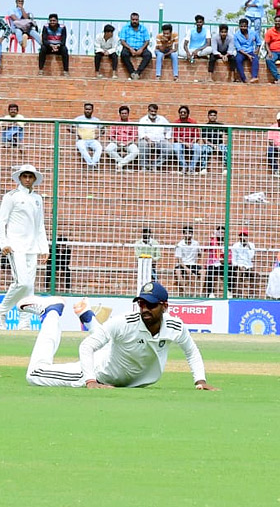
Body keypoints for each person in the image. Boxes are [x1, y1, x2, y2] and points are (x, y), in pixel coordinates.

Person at [24, 284, 216, 390]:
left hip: (119, 359)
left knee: (115, 342)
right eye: (141, 304)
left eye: (151, 305)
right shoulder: (125, 321)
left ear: (165, 306)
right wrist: (90, 380)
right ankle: (50, 312)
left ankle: (88, 317)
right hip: (97, 372)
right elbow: (86, 346)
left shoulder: (175, 326)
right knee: (34, 374)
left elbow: (192, 352)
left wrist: (200, 380)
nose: (145, 309)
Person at [0, 163, 49, 327]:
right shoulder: (11, 196)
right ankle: (2, 311)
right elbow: (2, 221)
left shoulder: (37, 199)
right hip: (15, 246)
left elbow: (40, 224)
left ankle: (24, 323)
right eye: (25, 176)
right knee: (22, 282)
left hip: (32, 247)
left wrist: (44, 248)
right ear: (20, 178)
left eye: (30, 176)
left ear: (35, 179)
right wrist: (3, 243)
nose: (27, 179)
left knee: (29, 287)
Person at [137, 103, 172, 171]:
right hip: (147, 141)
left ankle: (155, 165)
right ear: (148, 111)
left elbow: (169, 128)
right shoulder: (143, 120)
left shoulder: (162, 119)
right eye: (151, 111)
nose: (153, 113)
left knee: (169, 148)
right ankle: (144, 166)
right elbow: (141, 133)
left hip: (160, 140)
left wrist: (167, 138)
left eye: (155, 111)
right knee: (142, 145)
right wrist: (149, 140)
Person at [118, 12, 153, 79]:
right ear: (130, 19)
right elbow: (122, 41)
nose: (134, 21)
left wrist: (141, 49)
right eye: (133, 19)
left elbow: (147, 41)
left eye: (136, 20)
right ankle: (132, 72)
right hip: (128, 47)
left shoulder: (143, 28)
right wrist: (130, 48)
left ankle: (138, 73)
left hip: (141, 47)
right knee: (124, 54)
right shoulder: (125, 28)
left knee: (148, 55)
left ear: (138, 20)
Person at [104, 105, 140, 170]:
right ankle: (123, 163)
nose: (124, 115)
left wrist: (128, 143)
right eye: (122, 113)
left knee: (135, 151)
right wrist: (116, 142)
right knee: (108, 149)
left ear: (128, 114)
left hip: (128, 143)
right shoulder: (116, 123)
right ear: (120, 114)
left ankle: (120, 164)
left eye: (125, 113)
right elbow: (111, 135)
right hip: (117, 142)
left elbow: (134, 136)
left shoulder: (132, 123)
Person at [171, 105, 203, 174]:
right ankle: (184, 166)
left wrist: (191, 142)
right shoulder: (176, 123)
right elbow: (176, 136)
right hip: (180, 143)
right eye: (181, 112)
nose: (182, 114)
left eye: (184, 112)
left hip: (191, 143)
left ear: (187, 114)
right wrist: (185, 143)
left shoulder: (193, 122)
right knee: (176, 147)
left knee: (198, 148)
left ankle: (191, 168)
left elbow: (197, 136)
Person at [73, 102, 104, 168]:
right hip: (82, 140)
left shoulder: (96, 120)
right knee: (81, 147)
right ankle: (90, 164)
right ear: (84, 110)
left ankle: (94, 162)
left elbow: (103, 129)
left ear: (92, 110)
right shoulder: (79, 119)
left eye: (89, 109)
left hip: (92, 140)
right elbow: (69, 127)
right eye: (86, 109)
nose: (87, 111)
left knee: (99, 147)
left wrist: (98, 136)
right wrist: (77, 134)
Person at [198, 109, 227, 174]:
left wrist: (223, 143)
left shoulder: (220, 125)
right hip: (209, 145)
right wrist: (213, 145)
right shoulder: (205, 126)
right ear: (208, 116)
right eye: (211, 115)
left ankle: (225, 169)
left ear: (216, 117)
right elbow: (205, 140)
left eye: (214, 115)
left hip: (219, 144)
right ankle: (203, 168)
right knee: (204, 148)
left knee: (225, 148)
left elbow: (227, 135)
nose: (212, 117)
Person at [173, 225, 202, 293]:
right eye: (186, 233)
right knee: (177, 271)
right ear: (184, 234)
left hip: (193, 264)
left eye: (189, 233)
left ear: (192, 234)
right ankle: (186, 290)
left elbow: (200, 254)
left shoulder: (196, 243)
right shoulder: (180, 244)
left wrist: (197, 262)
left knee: (203, 271)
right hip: (183, 264)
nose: (188, 235)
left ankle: (200, 292)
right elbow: (179, 260)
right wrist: (186, 268)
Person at [232, 17, 261, 83]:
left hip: (250, 51)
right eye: (241, 26)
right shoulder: (236, 35)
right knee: (238, 60)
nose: (243, 28)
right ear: (239, 26)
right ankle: (244, 79)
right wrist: (248, 55)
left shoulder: (253, 33)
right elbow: (238, 48)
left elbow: (259, 42)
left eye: (245, 26)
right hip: (242, 52)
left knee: (255, 59)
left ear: (247, 26)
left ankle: (254, 77)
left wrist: (257, 50)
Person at [230, 230, 256, 296]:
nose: (243, 237)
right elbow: (234, 259)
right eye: (241, 236)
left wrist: (248, 247)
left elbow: (251, 256)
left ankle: (251, 294)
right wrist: (238, 266)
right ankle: (237, 294)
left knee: (254, 275)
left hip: (248, 265)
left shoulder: (251, 245)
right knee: (238, 274)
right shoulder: (235, 245)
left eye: (244, 236)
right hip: (239, 265)